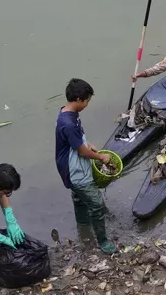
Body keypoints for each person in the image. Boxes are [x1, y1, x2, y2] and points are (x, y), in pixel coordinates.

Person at [55, 78, 116, 254]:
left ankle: (83, 225)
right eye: (87, 100)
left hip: (70, 163)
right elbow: (81, 152)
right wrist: (100, 156)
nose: (87, 104)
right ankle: (103, 241)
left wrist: (87, 143)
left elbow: (77, 141)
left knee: (79, 198)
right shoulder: (68, 123)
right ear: (79, 99)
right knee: (96, 204)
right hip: (74, 169)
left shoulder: (67, 114)